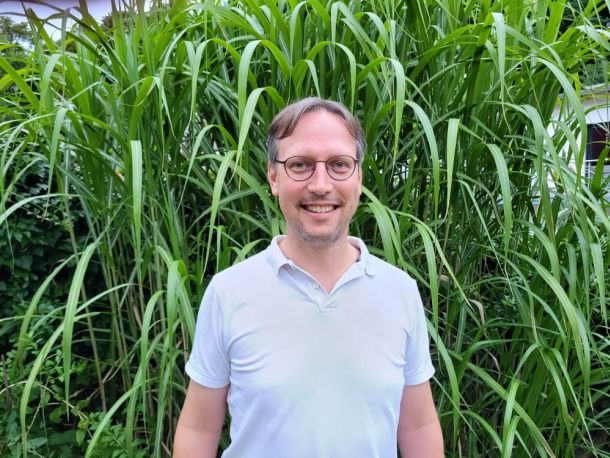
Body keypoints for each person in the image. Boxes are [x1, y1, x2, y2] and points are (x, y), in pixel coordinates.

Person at [174, 97, 444, 457]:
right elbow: (198, 428)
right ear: (274, 177)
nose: (320, 184)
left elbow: (418, 426)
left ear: (359, 177)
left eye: (339, 165)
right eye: (300, 165)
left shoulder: (399, 292)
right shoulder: (229, 292)